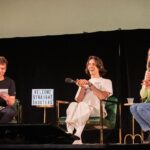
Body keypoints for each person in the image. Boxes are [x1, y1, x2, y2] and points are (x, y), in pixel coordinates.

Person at [65, 55, 113, 144]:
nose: (91, 66)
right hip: (83, 109)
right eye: (89, 64)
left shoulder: (106, 81)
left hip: (97, 110)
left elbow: (102, 96)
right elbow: (79, 100)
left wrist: (90, 85)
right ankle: (70, 133)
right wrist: (82, 87)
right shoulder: (84, 82)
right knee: (73, 104)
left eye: (94, 64)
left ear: (99, 67)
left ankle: (78, 135)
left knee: (82, 105)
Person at [130, 48, 150, 143]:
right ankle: (149, 130)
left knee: (140, 108)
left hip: (147, 106)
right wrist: (146, 86)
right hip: (148, 104)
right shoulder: (148, 72)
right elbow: (143, 95)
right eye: (149, 55)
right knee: (133, 107)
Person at [0, 56, 16, 123]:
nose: (0, 71)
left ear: (5, 69)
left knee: (10, 111)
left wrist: (7, 98)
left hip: (4, 109)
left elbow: (12, 102)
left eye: (2, 69)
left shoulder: (10, 82)